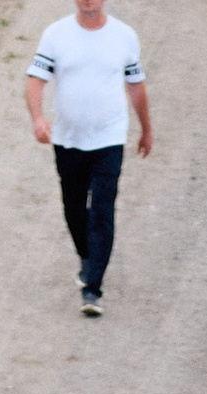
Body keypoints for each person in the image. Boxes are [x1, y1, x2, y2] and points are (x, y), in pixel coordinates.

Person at [25, 0, 149, 315]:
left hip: (109, 138)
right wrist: (38, 118)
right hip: (68, 140)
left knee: (102, 212)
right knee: (74, 208)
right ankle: (87, 256)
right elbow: (35, 80)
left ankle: (93, 289)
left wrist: (146, 129)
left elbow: (136, 87)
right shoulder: (56, 34)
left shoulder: (123, 36)